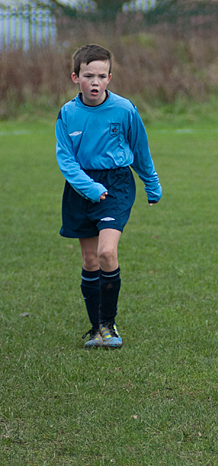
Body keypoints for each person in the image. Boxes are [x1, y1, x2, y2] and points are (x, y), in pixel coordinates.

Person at [56, 44, 162, 349]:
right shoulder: (67, 114)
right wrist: (88, 187)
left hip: (116, 184)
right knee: (90, 260)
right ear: (75, 77)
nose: (95, 82)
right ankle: (95, 329)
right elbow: (66, 160)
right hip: (81, 188)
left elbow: (140, 149)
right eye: (88, 75)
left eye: (101, 76)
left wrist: (151, 184)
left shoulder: (125, 109)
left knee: (105, 253)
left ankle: (108, 325)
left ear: (109, 78)